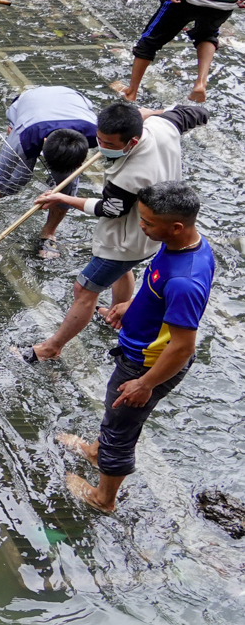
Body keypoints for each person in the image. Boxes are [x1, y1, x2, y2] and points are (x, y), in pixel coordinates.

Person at [57, 181, 214, 513]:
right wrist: (134, 306)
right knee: (116, 412)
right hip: (140, 351)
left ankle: (103, 498)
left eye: (147, 223)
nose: (140, 226)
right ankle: (96, 452)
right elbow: (159, 290)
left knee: (121, 428)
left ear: (176, 226)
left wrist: (146, 383)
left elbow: (184, 346)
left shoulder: (185, 281)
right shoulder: (181, 247)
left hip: (148, 365)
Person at [24, 100, 209, 363]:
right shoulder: (163, 124)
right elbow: (194, 111)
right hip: (150, 235)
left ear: (133, 141)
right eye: (100, 140)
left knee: (84, 290)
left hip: (126, 241)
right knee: (124, 272)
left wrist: (63, 199)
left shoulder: (130, 175)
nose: (102, 148)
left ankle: (51, 348)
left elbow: (110, 209)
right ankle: (115, 312)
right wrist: (153, 113)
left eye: (110, 145)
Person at [0, 86, 97, 259]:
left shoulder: (96, 132)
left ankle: (48, 233)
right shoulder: (22, 137)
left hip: (73, 100)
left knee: (67, 186)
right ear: (45, 142)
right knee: (16, 180)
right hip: (27, 108)